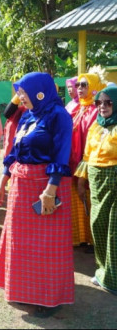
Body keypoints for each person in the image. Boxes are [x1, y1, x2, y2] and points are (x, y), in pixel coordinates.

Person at [0, 72, 74, 318]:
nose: (20, 98)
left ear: (40, 92)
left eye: (23, 93)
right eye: (19, 92)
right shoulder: (28, 116)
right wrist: (2, 181)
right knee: (21, 244)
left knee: (46, 246)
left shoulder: (60, 117)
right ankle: (24, 291)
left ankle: (49, 299)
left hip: (45, 186)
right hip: (21, 185)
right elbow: (14, 150)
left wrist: (51, 189)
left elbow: (61, 154)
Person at [75, 86, 117, 295]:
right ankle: (103, 272)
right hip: (96, 184)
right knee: (98, 226)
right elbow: (87, 156)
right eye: (99, 102)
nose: (103, 107)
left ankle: (114, 278)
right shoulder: (96, 127)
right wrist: (81, 182)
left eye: (108, 102)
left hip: (115, 184)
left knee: (114, 232)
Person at [69, 72, 106, 248]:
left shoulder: (98, 112)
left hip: (90, 162)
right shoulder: (76, 108)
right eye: (78, 85)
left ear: (93, 87)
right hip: (73, 163)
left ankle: (94, 240)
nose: (80, 88)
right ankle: (82, 238)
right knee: (77, 198)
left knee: (91, 198)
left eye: (84, 85)